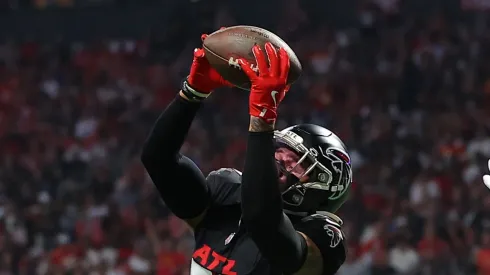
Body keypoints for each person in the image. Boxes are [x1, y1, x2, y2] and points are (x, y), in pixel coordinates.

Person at [141, 31, 352, 275]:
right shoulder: (228, 194)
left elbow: (263, 220)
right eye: (281, 151)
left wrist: (262, 119)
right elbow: (158, 159)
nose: (280, 161)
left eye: (296, 161)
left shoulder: (323, 236)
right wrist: (192, 93)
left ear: (325, 185)